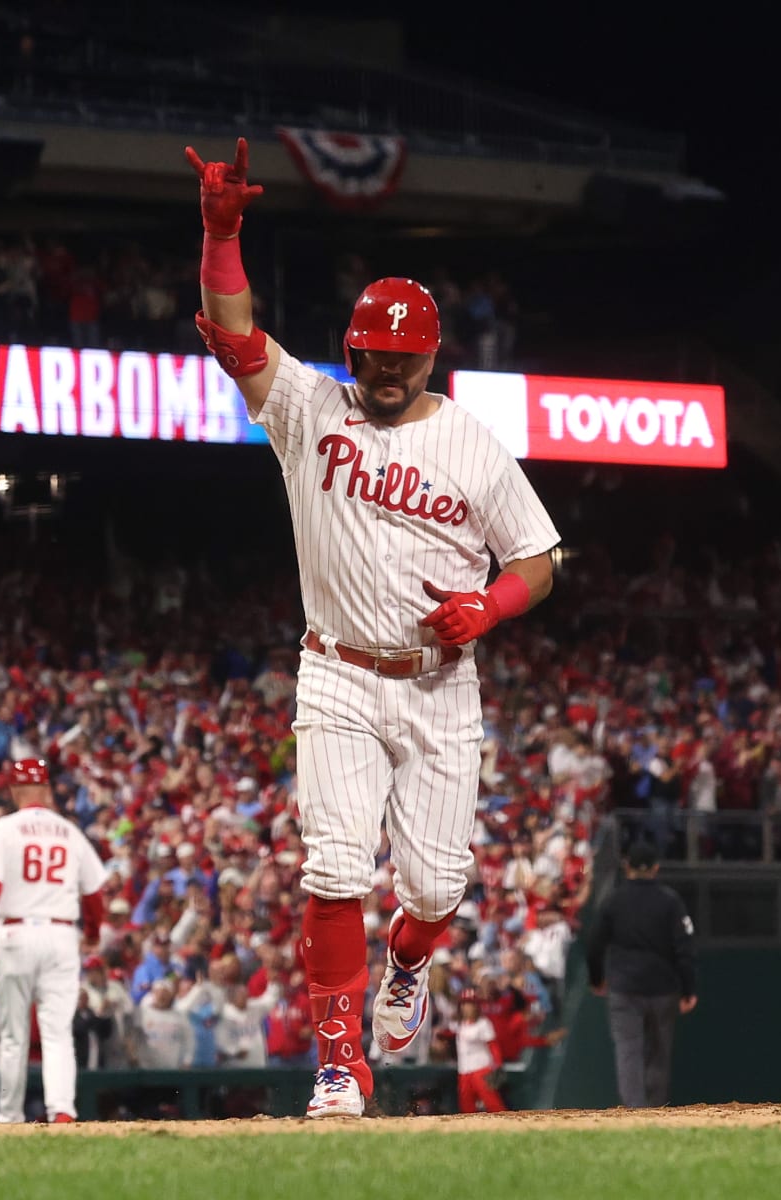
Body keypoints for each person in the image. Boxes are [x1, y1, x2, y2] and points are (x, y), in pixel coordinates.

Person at [185, 141, 561, 1118]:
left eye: (402, 359)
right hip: (339, 672)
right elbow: (235, 336)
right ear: (349, 352)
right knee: (334, 867)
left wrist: (492, 605)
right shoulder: (312, 409)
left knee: (436, 891)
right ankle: (341, 1063)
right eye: (370, 357)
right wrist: (222, 235)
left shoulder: (471, 441)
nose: (386, 373)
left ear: (430, 356)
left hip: (442, 681)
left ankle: (408, 962)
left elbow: (540, 558)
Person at [0, 758, 108, 1124]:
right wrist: (91, 934)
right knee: (57, 1033)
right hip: (61, 935)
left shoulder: (4, 828)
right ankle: (62, 1112)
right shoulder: (69, 831)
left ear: (14, 791)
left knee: (13, 1037)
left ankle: (10, 1118)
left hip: (16, 934)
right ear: (45, 789)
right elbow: (94, 895)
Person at [586, 841, 698, 1107]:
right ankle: (655, 1109)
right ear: (656, 869)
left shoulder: (614, 900)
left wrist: (596, 978)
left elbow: (594, 944)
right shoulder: (670, 901)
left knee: (629, 1051)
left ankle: (634, 1112)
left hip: (625, 988)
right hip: (663, 988)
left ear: (628, 868)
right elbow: (685, 948)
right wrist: (689, 988)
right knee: (658, 1052)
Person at [452, 989, 506, 1113]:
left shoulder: (483, 1023)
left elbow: (493, 1046)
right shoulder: (460, 1024)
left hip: (481, 1070)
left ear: (476, 1006)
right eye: (464, 1003)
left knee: (494, 1105)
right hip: (464, 1071)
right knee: (466, 1108)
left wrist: (498, 1065)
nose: (467, 1007)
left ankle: (506, 1128)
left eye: (470, 1003)